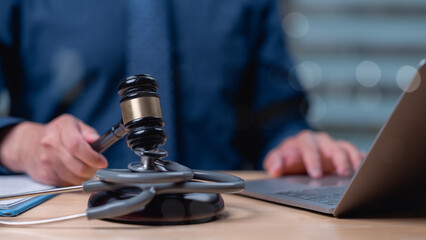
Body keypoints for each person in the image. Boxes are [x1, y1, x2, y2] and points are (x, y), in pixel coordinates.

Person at [0, 0, 362, 187]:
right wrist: (19, 142)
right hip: (72, 218)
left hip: (224, 219)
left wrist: (295, 145)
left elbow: (278, 118)